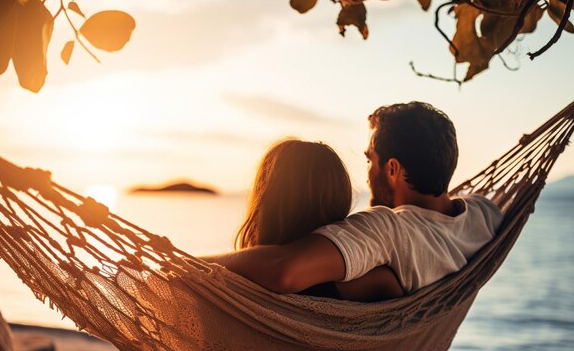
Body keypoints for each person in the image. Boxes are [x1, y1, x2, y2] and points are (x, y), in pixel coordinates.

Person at [204, 102, 503, 298]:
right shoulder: (484, 213)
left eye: (370, 161)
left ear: (393, 169)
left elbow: (286, 271)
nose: (368, 171)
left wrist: (189, 264)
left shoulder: (385, 228)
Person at [233, 138, 404, 301]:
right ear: (339, 199)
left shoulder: (233, 285)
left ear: (265, 201)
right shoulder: (376, 282)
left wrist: (208, 264)